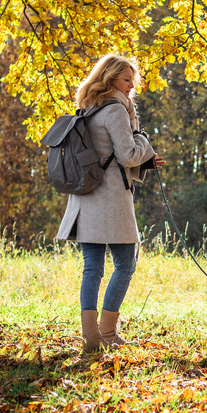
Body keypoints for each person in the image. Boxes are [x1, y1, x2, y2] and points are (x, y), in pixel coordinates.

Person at [55, 54, 165, 351]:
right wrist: (144, 142)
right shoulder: (116, 110)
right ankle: (106, 332)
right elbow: (129, 154)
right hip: (111, 200)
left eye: (133, 80)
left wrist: (144, 160)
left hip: (85, 198)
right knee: (125, 264)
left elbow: (108, 154)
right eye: (126, 80)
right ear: (110, 78)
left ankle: (92, 339)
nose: (132, 86)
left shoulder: (89, 108)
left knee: (92, 268)